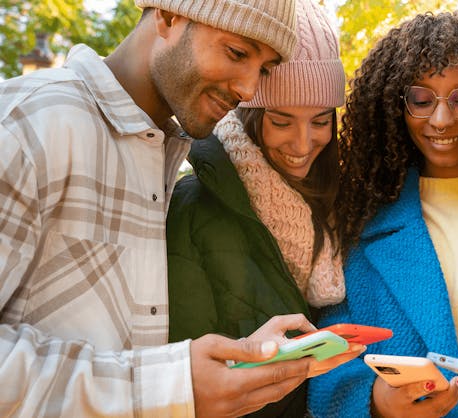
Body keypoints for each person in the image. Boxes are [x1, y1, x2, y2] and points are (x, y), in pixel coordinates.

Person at [0, 1, 346, 416]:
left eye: (266, 69)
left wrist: (243, 355)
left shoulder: (163, 149)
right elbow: (154, 382)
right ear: (167, 16)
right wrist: (171, 385)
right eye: (237, 53)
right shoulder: (26, 124)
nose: (249, 90)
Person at [308, 12, 458, 418]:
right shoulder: (354, 223)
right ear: (394, 106)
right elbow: (325, 363)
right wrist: (375, 402)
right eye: (421, 99)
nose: (441, 119)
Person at [165, 0, 358, 416]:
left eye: (321, 121)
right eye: (282, 121)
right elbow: (184, 377)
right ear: (248, 112)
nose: (304, 145)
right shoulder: (192, 208)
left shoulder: (344, 206)